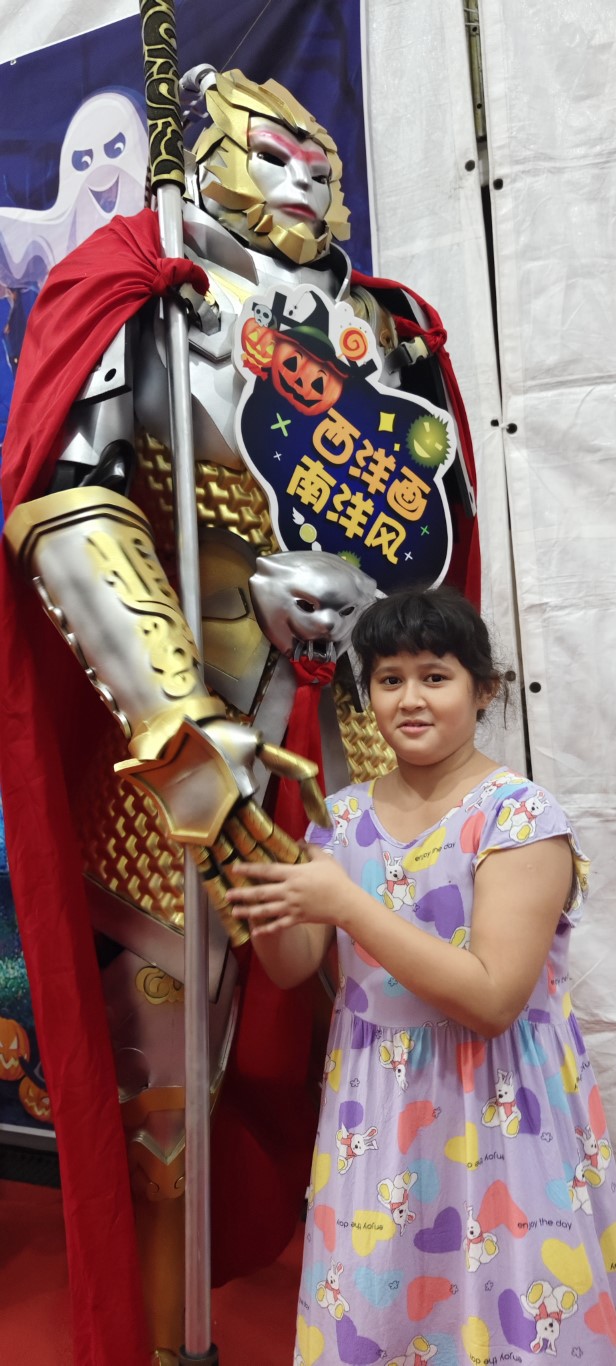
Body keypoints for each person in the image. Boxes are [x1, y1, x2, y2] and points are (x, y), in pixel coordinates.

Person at [227, 584, 616, 1365]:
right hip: (376, 1110)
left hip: (501, 1110)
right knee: (376, 1316)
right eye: (389, 679)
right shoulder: (338, 818)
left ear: (484, 689)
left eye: (435, 676)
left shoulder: (519, 816)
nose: (410, 698)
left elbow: (492, 999)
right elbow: (295, 965)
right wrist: (254, 887)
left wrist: (347, 902)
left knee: (513, 1317)